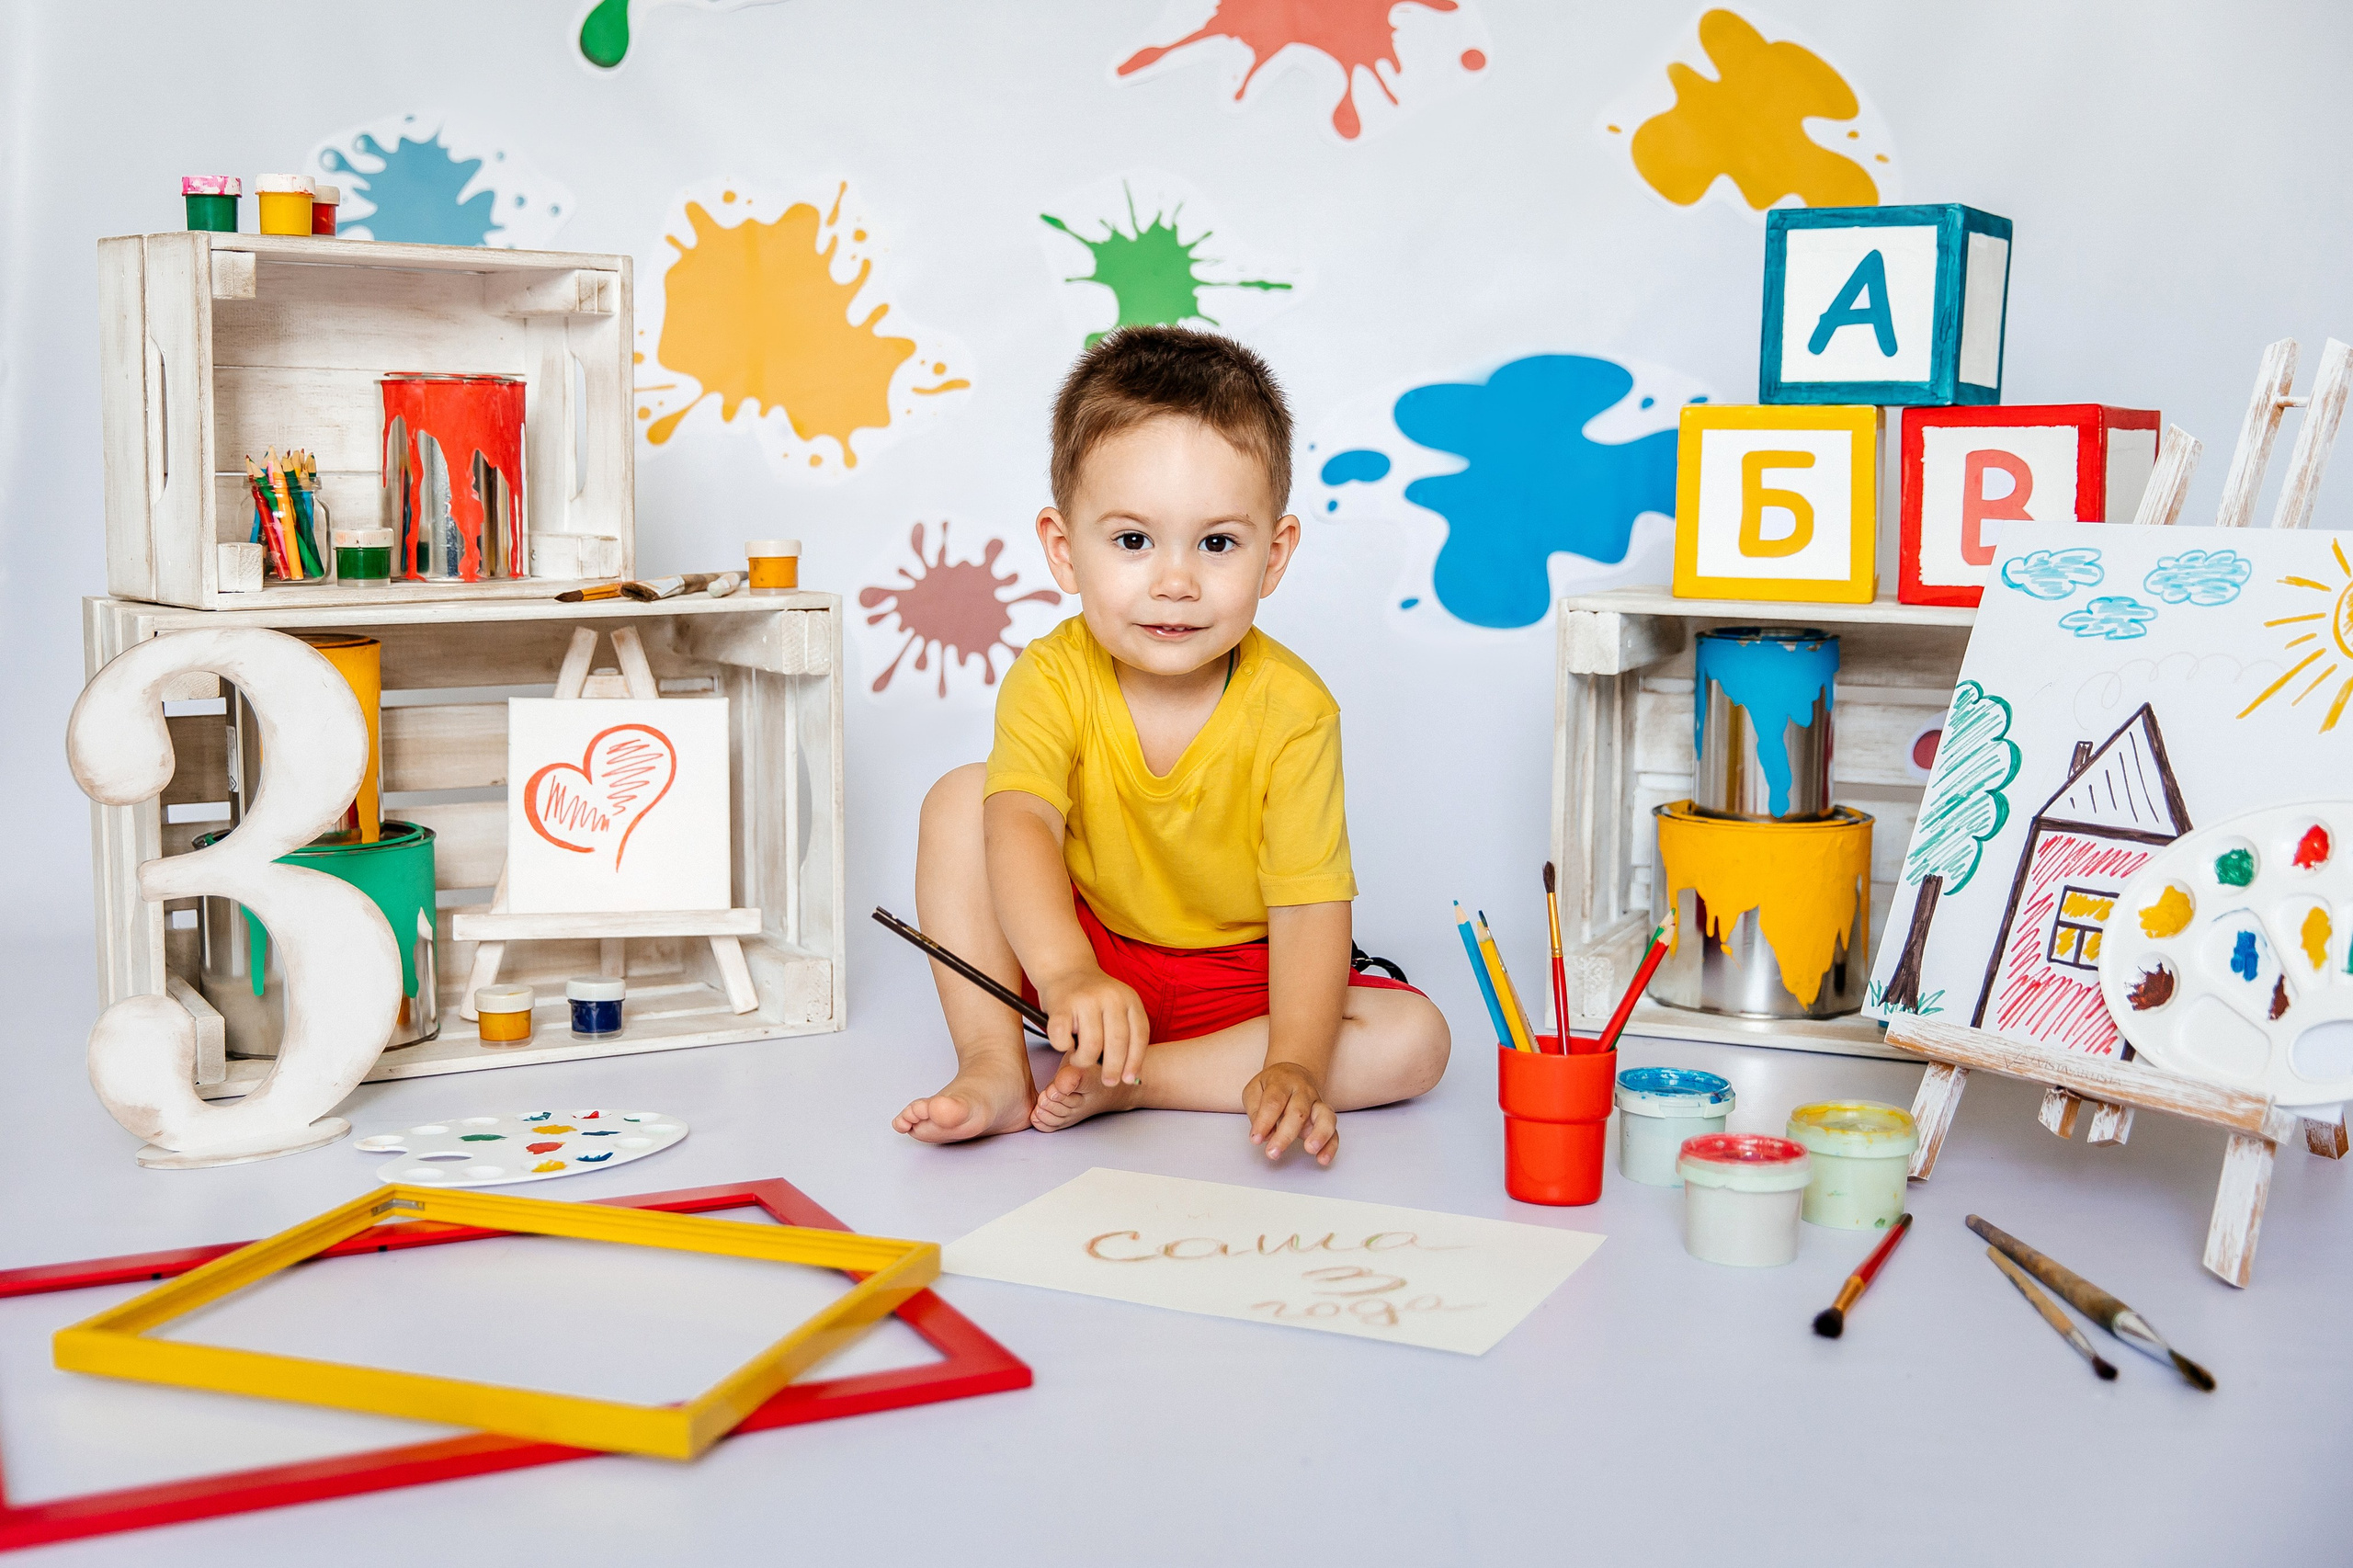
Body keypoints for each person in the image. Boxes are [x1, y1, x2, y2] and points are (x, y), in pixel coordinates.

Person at [892, 326, 1450, 1165]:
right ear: (1062, 548)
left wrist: (1294, 1059)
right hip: (1087, 954)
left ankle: (1143, 1080)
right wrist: (1068, 971)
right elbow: (1023, 829)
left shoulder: (1295, 710)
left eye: (1218, 543)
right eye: (1132, 541)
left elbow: (1307, 907)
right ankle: (995, 1063)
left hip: (1240, 984)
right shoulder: (1051, 676)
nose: (1176, 581)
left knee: (1415, 1039)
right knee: (962, 798)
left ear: (1275, 555)